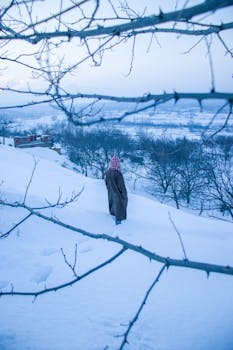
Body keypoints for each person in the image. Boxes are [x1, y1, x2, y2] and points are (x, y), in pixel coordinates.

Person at [105, 156, 128, 225]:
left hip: (111, 194)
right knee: (120, 209)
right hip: (118, 195)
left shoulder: (108, 172)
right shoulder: (118, 174)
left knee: (112, 206)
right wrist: (124, 195)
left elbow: (106, 183)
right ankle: (119, 226)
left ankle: (112, 220)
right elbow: (121, 187)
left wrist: (110, 189)